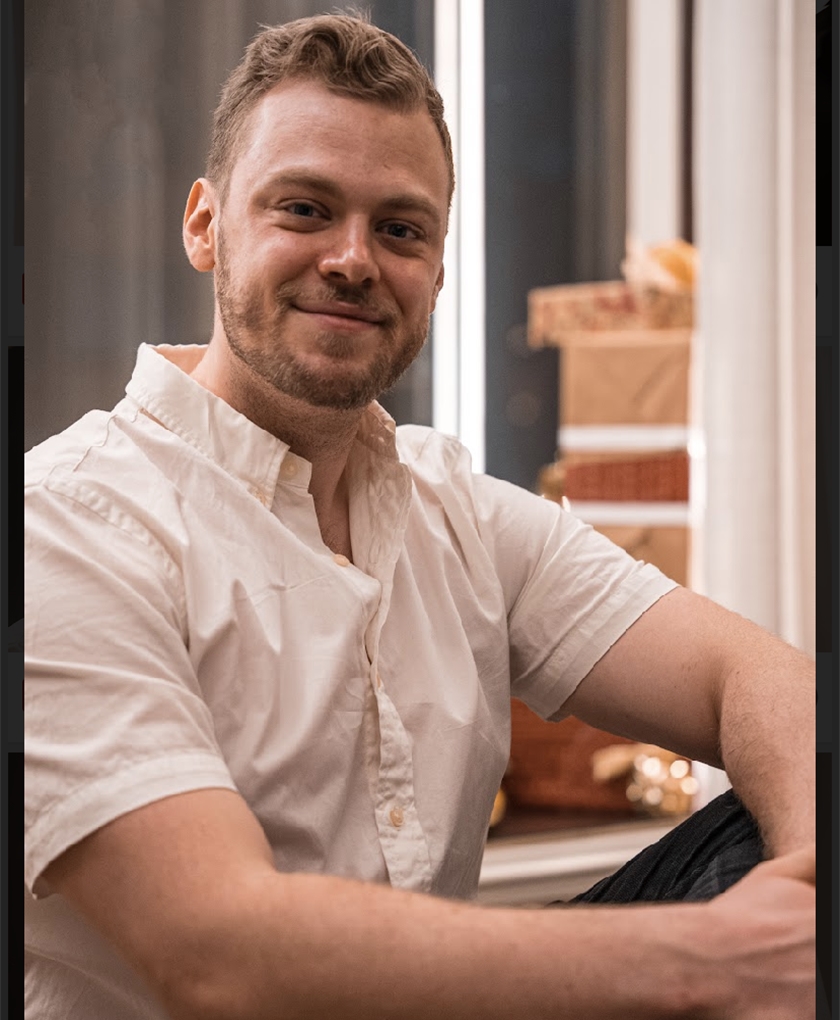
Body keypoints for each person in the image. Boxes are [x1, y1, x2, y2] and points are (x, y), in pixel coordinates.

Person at [24, 13, 815, 1020]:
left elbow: (753, 676)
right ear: (205, 226)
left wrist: (805, 885)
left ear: (438, 269)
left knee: (778, 819)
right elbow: (217, 952)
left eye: (401, 229)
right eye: (304, 209)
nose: (353, 260)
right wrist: (721, 959)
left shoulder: (456, 509)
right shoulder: (65, 525)